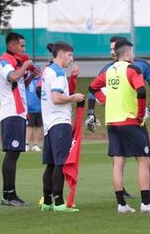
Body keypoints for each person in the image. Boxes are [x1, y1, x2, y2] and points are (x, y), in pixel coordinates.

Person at [87, 39, 150, 214]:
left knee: (118, 162)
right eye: (133, 52)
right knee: (144, 160)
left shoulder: (109, 71)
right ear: (128, 54)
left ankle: (121, 204)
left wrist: (106, 100)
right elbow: (142, 90)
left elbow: (92, 88)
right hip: (129, 121)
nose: (134, 55)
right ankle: (146, 203)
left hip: (113, 122)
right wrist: (139, 114)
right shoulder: (133, 69)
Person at [39, 42, 84, 212]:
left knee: (51, 164)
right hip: (59, 122)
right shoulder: (57, 73)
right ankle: (58, 202)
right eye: (70, 55)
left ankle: (47, 202)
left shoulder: (48, 71)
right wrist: (74, 97)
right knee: (60, 164)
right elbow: (56, 98)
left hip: (49, 123)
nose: (71, 59)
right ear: (61, 54)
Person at [0, 32, 39, 206]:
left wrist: (30, 76)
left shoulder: (16, 62)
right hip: (11, 113)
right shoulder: (4, 61)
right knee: (12, 153)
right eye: (21, 45)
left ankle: (9, 194)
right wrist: (26, 66)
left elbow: (19, 83)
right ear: (12, 46)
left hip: (19, 113)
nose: (24, 48)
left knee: (14, 154)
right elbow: (12, 77)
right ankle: (8, 195)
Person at [25, 65, 43, 153]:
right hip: (30, 108)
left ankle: (35, 144)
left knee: (39, 126)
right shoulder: (28, 81)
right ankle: (26, 144)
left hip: (40, 108)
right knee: (29, 126)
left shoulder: (42, 80)